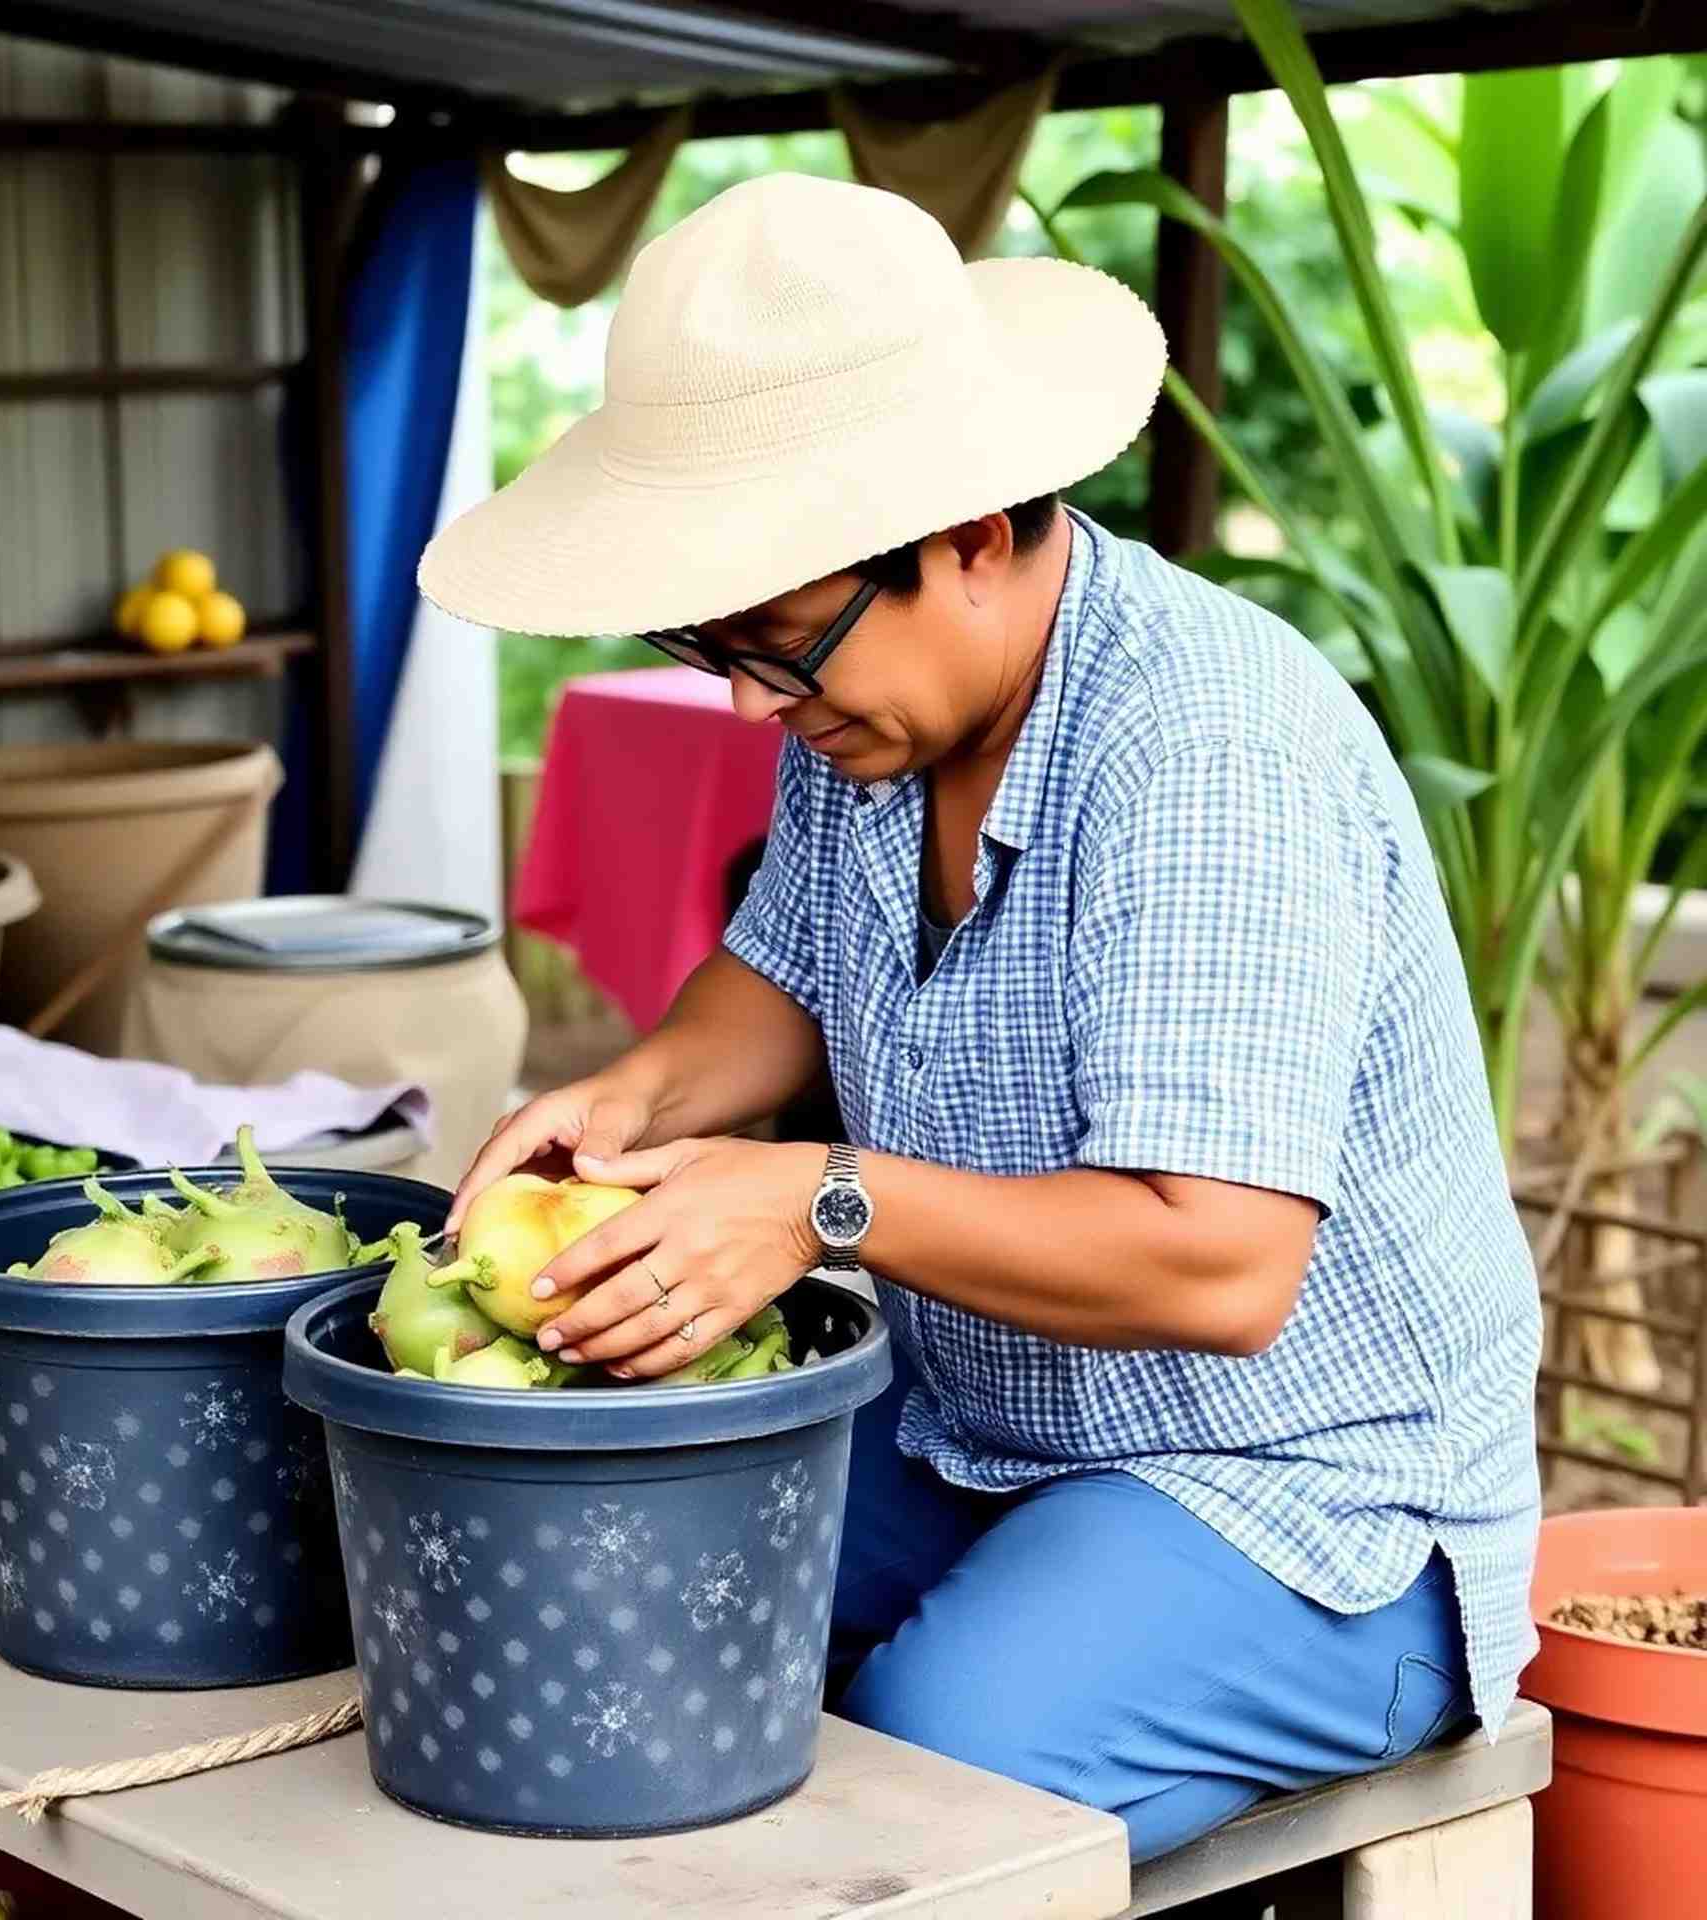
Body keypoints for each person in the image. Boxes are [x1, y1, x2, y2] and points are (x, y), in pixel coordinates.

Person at [417, 173, 1541, 1863]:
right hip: (980, 1423)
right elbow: (779, 976)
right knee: (600, 1559)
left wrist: (812, 1200)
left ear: (974, 535)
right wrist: (633, 1102)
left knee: (927, 1778)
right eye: (714, 645)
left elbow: (1221, 1265)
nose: (748, 700)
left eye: (782, 645)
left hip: (1295, 1497)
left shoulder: (1205, 758)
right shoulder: (871, 721)